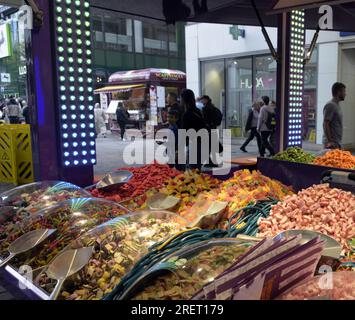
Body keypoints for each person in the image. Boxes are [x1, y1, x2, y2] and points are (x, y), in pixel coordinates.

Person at [181, 89, 207, 171]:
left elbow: (184, 132)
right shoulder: (198, 111)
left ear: (184, 99)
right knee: (197, 169)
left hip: (193, 145)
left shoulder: (187, 114)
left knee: (193, 171)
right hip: (202, 143)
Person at [201, 95, 223, 167]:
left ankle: (209, 161)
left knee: (208, 145)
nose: (202, 101)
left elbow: (204, 119)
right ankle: (209, 161)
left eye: (203, 99)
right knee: (210, 145)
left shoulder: (206, 108)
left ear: (206, 100)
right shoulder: (213, 107)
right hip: (212, 128)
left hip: (208, 129)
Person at [323, 82, 346, 149]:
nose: (345, 94)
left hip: (337, 142)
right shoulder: (330, 105)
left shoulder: (337, 105)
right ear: (339, 92)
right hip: (332, 144)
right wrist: (330, 141)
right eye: (344, 91)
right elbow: (325, 124)